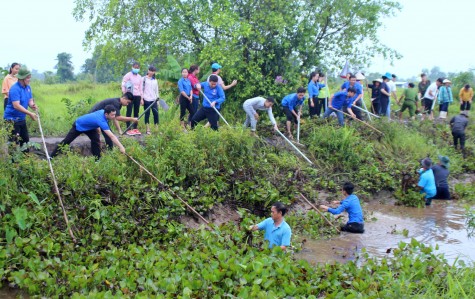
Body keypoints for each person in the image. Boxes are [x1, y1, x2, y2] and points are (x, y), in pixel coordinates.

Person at [51, 105, 126, 159]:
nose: (114, 117)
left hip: (90, 127)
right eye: (112, 115)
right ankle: (51, 157)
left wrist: (97, 127)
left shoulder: (103, 112)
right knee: (66, 141)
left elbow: (95, 118)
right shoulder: (101, 120)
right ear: (106, 114)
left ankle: (97, 160)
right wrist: (121, 147)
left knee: (96, 141)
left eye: (114, 114)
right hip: (79, 125)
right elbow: (112, 136)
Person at [3, 66, 37, 148]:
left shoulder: (28, 87)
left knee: (25, 141)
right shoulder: (15, 89)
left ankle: (26, 159)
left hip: (21, 118)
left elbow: (30, 99)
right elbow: (16, 105)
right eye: (28, 78)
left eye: (30, 77)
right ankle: (13, 160)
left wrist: (32, 105)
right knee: (13, 142)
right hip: (12, 119)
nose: (29, 80)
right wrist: (30, 113)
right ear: (22, 78)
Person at [121, 62, 143, 135]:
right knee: (129, 111)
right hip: (129, 95)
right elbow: (123, 84)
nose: (136, 69)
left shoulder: (140, 77)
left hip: (137, 95)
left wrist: (141, 98)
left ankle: (135, 128)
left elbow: (140, 88)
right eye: (135, 67)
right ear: (132, 67)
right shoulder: (128, 75)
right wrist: (124, 93)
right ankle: (128, 128)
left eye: (137, 68)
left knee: (136, 112)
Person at [142, 66, 159, 134]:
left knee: (156, 113)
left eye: (153, 71)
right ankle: (147, 129)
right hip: (146, 99)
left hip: (154, 99)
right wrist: (142, 99)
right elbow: (141, 89)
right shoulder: (144, 79)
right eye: (151, 71)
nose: (152, 72)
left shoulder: (155, 80)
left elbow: (156, 90)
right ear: (148, 70)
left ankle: (156, 128)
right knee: (147, 114)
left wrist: (157, 99)